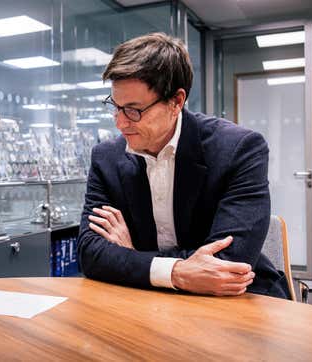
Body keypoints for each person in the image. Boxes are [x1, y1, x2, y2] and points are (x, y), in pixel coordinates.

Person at [77, 33, 289, 298]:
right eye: (115, 106)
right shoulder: (105, 157)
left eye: (133, 110)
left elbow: (227, 263)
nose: (120, 123)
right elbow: (89, 253)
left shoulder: (239, 149)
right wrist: (176, 272)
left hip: (237, 297)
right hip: (148, 298)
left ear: (176, 101)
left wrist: (131, 258)